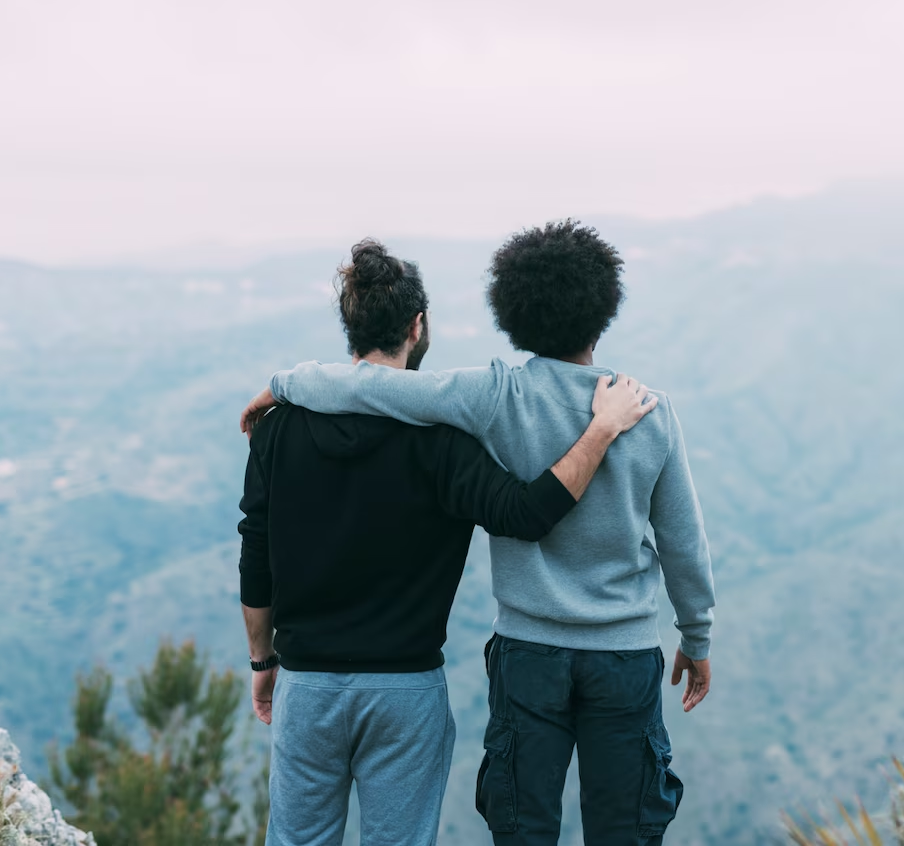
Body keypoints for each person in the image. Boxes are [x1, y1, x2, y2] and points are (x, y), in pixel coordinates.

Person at [241, 220, 716, 846]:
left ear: (512, 313)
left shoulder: (495, 396)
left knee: (522, 830)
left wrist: (287, 383)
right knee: (626, 829)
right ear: (603, 317)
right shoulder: (647, 410)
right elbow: (682, 543)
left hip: (523, 653)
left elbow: (375, 388)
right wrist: (696, 634)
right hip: (619, 653)